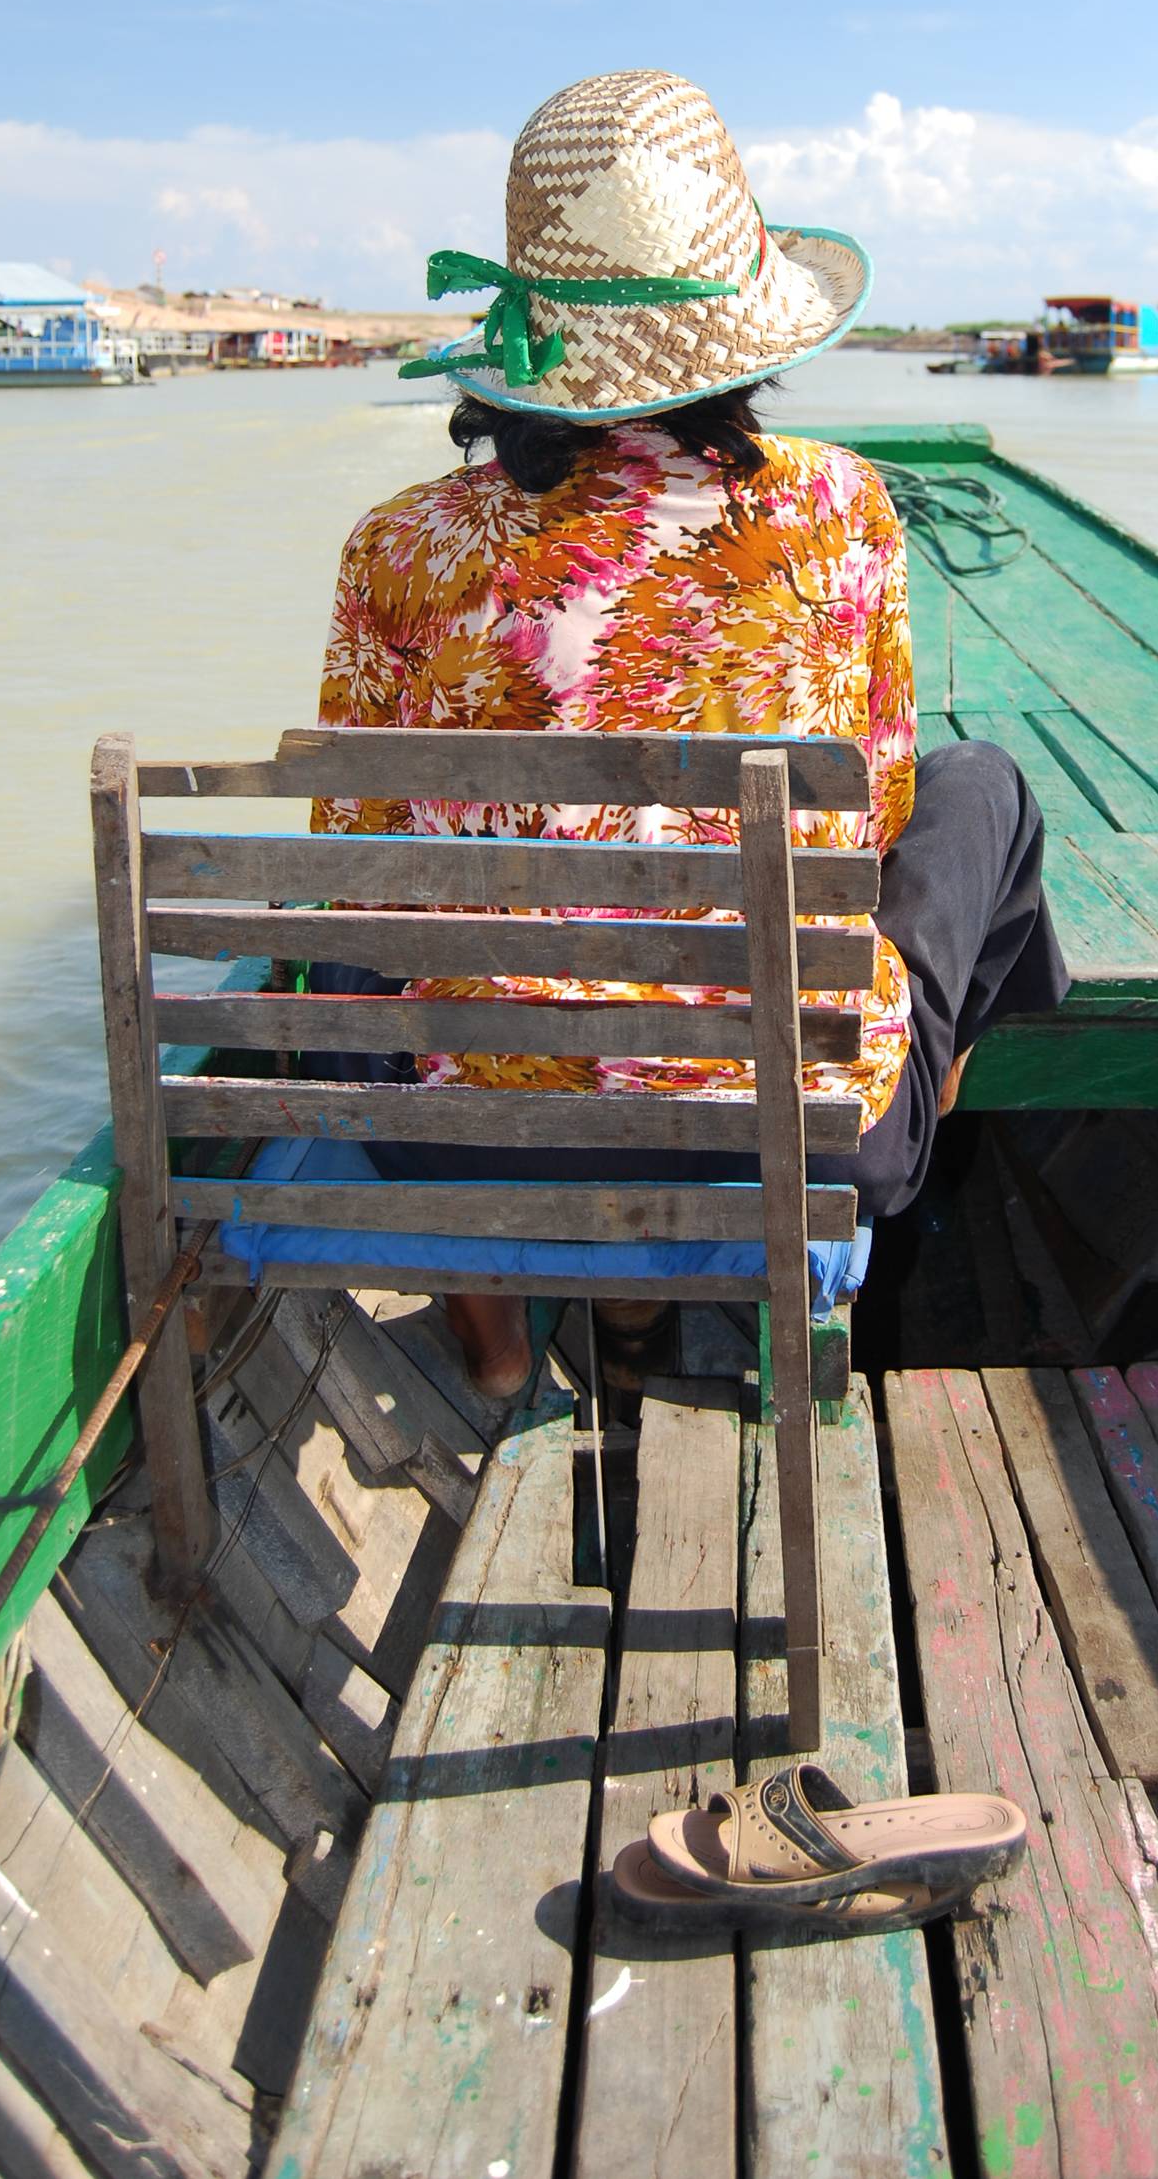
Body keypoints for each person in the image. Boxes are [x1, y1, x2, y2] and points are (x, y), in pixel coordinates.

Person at [310, 69, 1068, 1398]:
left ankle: (498, 1326)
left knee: (377, 941)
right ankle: (907, 1127)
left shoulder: (396, 545)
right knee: (980, 787)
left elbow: (355, 858)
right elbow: (877, 819)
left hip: (464, 1130)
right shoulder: (843, 511)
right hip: (798, 1125)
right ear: (743, 331)